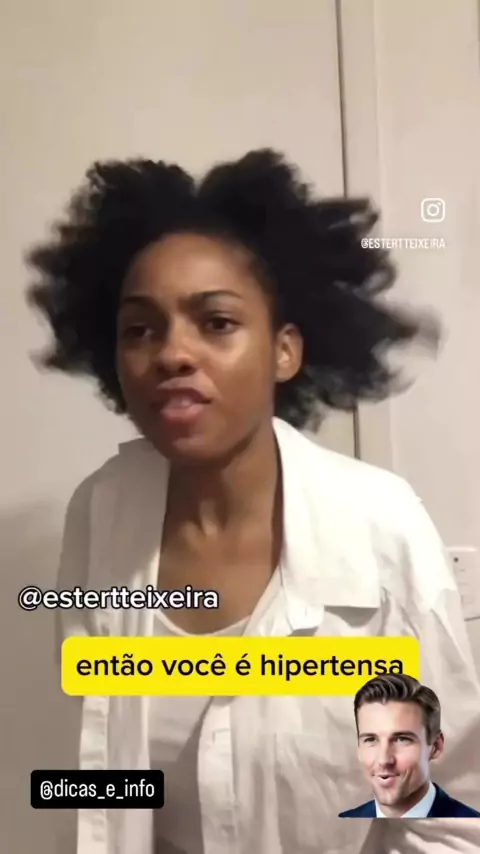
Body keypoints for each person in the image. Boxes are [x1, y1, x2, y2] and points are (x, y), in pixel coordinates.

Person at [27, 149, 480, 854]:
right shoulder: (102, 512)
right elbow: (102, 765)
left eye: (216, 322)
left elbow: (448, 819)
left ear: (284, 351)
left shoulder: (381, 528)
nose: (172, 353)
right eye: (140, 329)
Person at [339, 673, 480, 819]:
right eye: (370, 740)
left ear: (436, 746)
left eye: (402, 739)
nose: (384, 760)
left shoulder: (474, 829)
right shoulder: (345, 825)